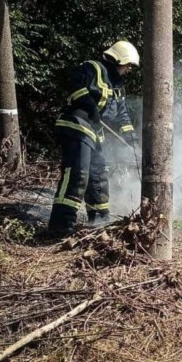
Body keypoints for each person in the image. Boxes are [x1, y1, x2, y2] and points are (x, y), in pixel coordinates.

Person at [48, 41, 139, 236]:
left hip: (95, 134)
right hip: (76, 125)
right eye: (128, 65)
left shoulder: (118, 88)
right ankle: (61, 224)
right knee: (78, 173)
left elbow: (123, 117)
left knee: (98, 176)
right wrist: (89, 105)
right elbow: (74, 84)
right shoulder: (92, 67)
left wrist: (132, 140)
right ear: (118, 59)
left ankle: (99, 220)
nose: (129, 69)